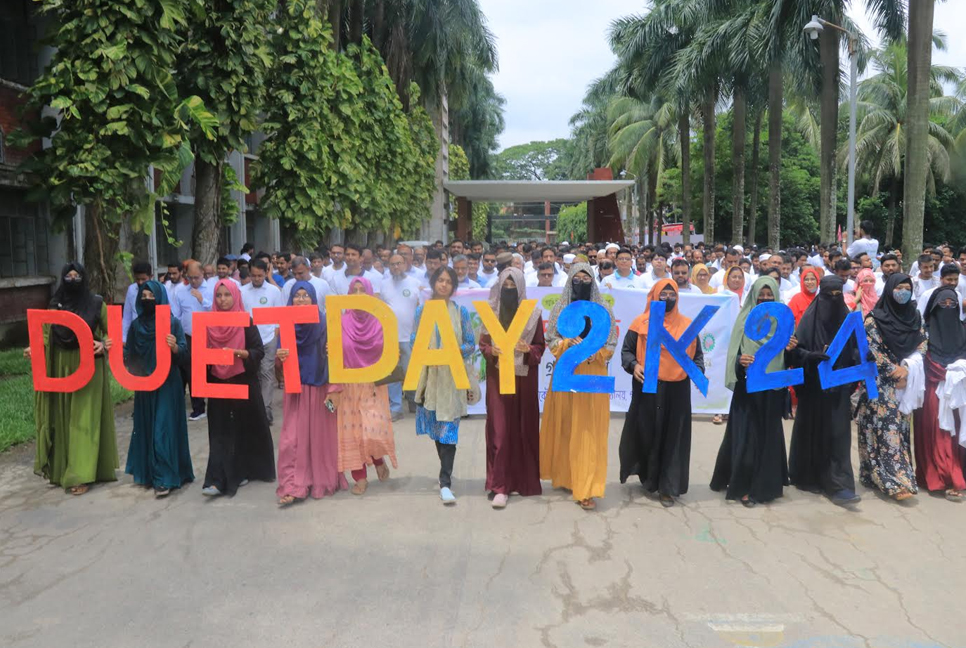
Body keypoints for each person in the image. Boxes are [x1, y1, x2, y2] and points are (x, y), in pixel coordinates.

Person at [27, 262, 118, 495]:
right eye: (68, 275)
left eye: (77, 275)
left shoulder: (97, 304)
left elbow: (113, 335)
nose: (73, 278)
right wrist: (34, 349)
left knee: (83, 421)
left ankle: (81, 475)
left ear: (84, 278)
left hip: (89, 368)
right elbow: (46, 335)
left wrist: (103, 344)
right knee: (64, 418)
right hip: (60, 367)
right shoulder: (54, 305)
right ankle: (62, 470)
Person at [712, 277, 796, 506]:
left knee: (768, 436)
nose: (765, 299)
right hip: (748, 390)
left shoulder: (783, 324)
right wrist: (741, 360)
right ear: (754, 295)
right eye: (762, 294)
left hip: (772, 388)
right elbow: (733, 356)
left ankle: (767, 486)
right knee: (747, 436)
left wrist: (790, 350)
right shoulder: (743, 320)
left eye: (770, 295)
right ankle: (744, 487)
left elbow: (788, 360)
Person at [619, 280, 704, 507]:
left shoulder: (688, 325)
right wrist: (634, 365)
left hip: (677, 390)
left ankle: (668, 487)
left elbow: (697, 357)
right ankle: (648, 478)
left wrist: (698, 372)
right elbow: (626, 351)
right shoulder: (640, 323)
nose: (667, 297)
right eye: (662, 293)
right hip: (648, 388)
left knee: (673, 437)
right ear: (654, 295)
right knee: (647, 433)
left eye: (672, 293)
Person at [540, 263, 617, 510]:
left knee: (588, 430)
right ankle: (566, 476)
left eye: (586, 278)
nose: (581, 282)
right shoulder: (560, 309)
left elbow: (612, 343)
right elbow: (550, 340)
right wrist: (565, 343)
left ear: (593, 282)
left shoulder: (603, 309)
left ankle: (587, 487)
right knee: (565, 425)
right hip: (566, 373)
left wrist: (600, 353)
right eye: (577, 278)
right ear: (570, 280)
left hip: (592, 376)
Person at [787, 276, 861, 507]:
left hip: (838, 388)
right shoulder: (809, 319)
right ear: (821, 294)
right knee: (813, 430)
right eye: (829, 294)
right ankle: (808, 476)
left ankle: (839, 485)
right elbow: (795, 352)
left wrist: (862, 359)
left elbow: (857, 349)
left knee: (838, 434)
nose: (833, 299)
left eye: (838, 294)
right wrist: (810, 357)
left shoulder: (848, 320)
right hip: (813, 389)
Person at [274, 281, 347, 506]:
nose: (302, 300)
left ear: (314, 299)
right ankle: (292, 485)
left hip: (321, 387)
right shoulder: (285, 324)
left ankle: (318, 482)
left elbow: (337, 358)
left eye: (306, 296)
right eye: (298, 295)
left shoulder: (324, 322)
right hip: (296, 389)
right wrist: (280, 357)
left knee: (320, 439)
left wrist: (334, 389)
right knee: (291, 440)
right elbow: (277, 368)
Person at [201, 280, 276, 497]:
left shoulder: (245, 321)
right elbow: (199, 353)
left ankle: (247, 469)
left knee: (246, 426)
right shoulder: (207, 323)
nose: (223, 300)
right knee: (219, 430)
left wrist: (240, 354)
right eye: (218, 296)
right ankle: (216, 479)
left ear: (236, 297)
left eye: (227, 295)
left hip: (243, 379)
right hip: (217, 381)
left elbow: (258, 351)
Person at [478, 268, 546, 509]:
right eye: (505, 286)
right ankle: (500, 486)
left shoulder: (533, 314)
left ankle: (522, 481)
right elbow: (483, 344)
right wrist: (490, 352)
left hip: (524, 379)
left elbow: (540, 345)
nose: (509, 290)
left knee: (523, 427)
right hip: (499, 377)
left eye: (513, 286)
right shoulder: (491, 313)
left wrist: (529, 350)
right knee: (500, 430)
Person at [855, 274, 925, 501]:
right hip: (880, 381)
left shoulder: (915, 317)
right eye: (899, 288)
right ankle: (893, 481)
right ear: (890, 290)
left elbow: (924, 342)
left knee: (900, 429)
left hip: (907, 380)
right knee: (884, 428)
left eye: (907, 288)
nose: (903, 292)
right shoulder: (874, 319)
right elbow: (871, 349)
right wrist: (893, 371)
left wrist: (907, 368)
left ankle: (894, 475)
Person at [124, 280, 193, 497]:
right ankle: (148, 473)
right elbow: (129, 358)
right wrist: (113, 351)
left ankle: (166, 477)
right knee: (146, 427)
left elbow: (185, 354)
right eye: (143, 297)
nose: (147, 300)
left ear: (160, 297)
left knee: (163, 428)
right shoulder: (136, 326)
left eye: (151, 296)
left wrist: (174, 347)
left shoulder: (172, 323)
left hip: (168, 384)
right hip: (144, 384)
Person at [412, 266, 475, 504]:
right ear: (433, 283)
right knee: (437, 430)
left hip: (452, 379)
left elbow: (470, 343)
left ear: (454, 286)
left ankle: (445, 481)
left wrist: (455, 350)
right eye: (440, 280)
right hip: (430, 379)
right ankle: (444, 474)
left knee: (449, 431)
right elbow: (414, 340)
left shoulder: (461, 313)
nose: (444, 285)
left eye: (449, 281)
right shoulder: (422, 311)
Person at [337, 277, 397, 495]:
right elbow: (335, 352)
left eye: (363, 290)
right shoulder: (341, 322)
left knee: (372, 430)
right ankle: (359, 476)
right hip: (349, 384)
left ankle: (377, 458)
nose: (359, 294)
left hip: (373, 383)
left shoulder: (380, 322)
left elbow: (390, 351)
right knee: (352, 433)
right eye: (355, 290)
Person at [914, 286, 966, 500]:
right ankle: (943, 477)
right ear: (934, 307)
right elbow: (917, 359)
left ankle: (959, 474)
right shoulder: (923, 333)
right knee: (939, 435)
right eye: (942, 304)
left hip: (960, 392)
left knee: (958, 436)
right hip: (933, 391)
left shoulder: (963, 330)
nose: (947, 307)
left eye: (951, 304)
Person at [242, 259, 284, 425]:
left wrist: (275, 334)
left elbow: (279, 315)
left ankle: (266, 410)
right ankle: (254, 408)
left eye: (260, 275)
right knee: (253, 373)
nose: (256, 278)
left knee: (267, 372)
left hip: (268, 338)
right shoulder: (242, 291)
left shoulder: (274, 291)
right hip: (249, 340)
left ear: (266, 272)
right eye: (253, 275)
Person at [381, 254, 421, 420]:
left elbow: (421, 308)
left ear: (405, 264)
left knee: (412, 371)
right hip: (389, 337)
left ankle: (413, 401)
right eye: (392, 264)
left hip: (410, 336)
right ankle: (396, 407)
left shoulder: (416, 284)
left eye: (398, 263)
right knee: (393, 374)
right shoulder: (383, 285)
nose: (395, 267)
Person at [173, 261, 213, 421]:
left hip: (208, 335)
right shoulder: (181, 291)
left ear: (203, 273)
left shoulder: (211, 288)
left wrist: (202, 299)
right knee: (187, 371)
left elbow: (216, 310)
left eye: (196, 277)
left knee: (205, 372)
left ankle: (203, 405)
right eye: (190, 278)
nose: (194, 281)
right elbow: (176, 314)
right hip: (187, 336)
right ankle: (194, 406)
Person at [122, 260, 153, 343]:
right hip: (136, 335)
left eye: (143, 279)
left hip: (153, 335)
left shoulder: (159, 290)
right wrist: (124, 338)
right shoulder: (131, 289)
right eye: (137, 279)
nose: (140, 282)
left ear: (151, 277)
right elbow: (127, 316)